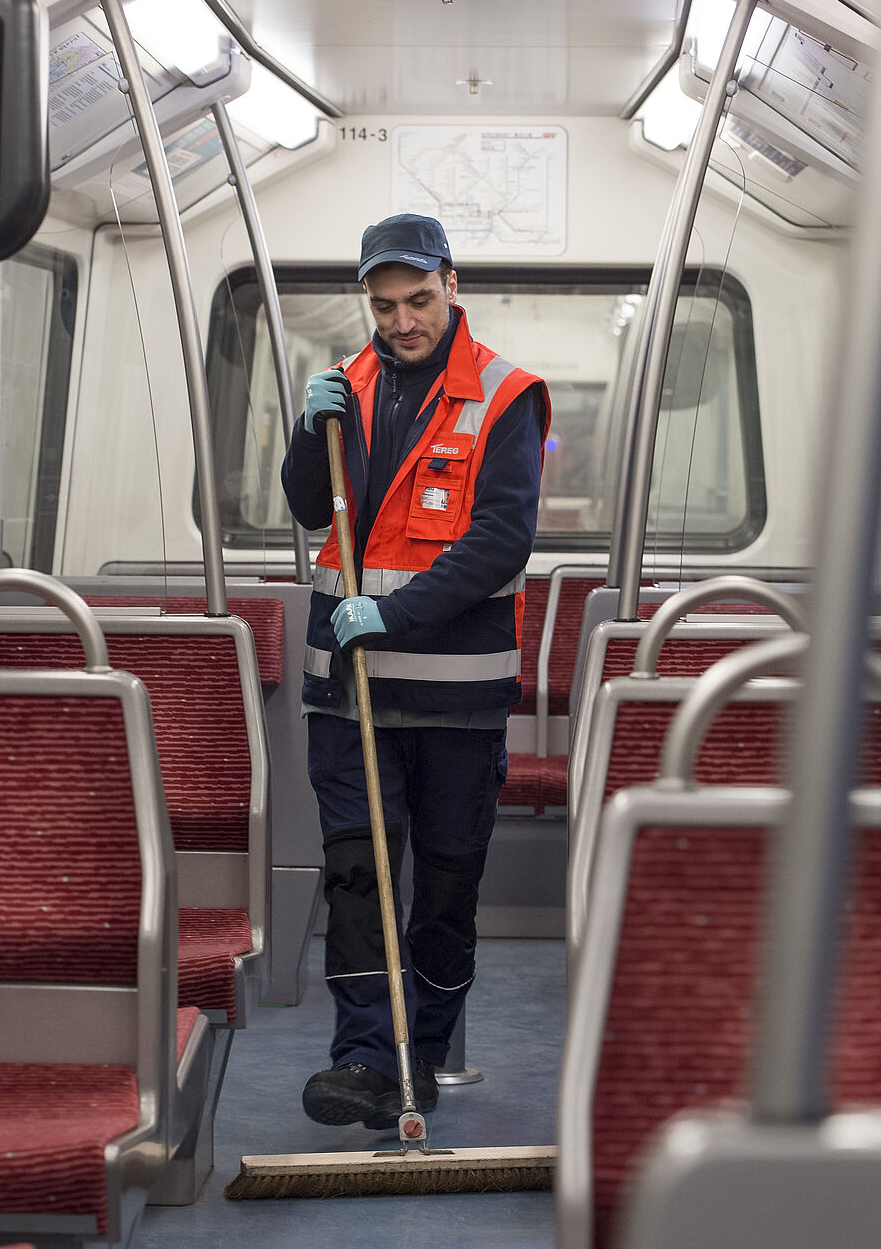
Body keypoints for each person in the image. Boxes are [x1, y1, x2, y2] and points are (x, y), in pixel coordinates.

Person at [280, 213, 549, 1129]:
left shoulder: (507, 396)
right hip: (345, 692)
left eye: (419, 300)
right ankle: (362, 1058)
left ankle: (421, 1055)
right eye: (385, 304)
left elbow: (502, 540)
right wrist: (301, 435)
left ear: (450, 284)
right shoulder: (344, 388)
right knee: (358, 879)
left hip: (455, 697)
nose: (402, 321)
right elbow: (314, 508)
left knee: (441, 885)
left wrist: (390, 612)